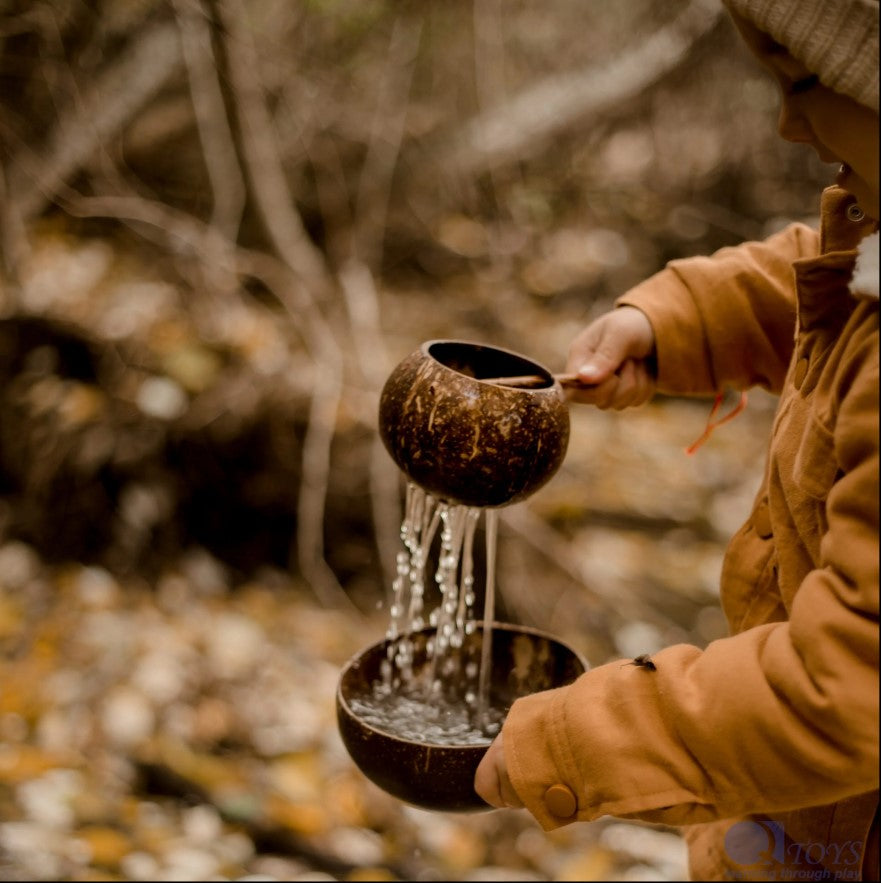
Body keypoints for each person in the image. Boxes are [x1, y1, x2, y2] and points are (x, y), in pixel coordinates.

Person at [474, 1, 879, 879]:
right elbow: (834, 283)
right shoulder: (874, 226)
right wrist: (674, 321)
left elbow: (845, 691)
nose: (786, 121)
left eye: (804, 79)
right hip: (802, 826)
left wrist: (576, 741)